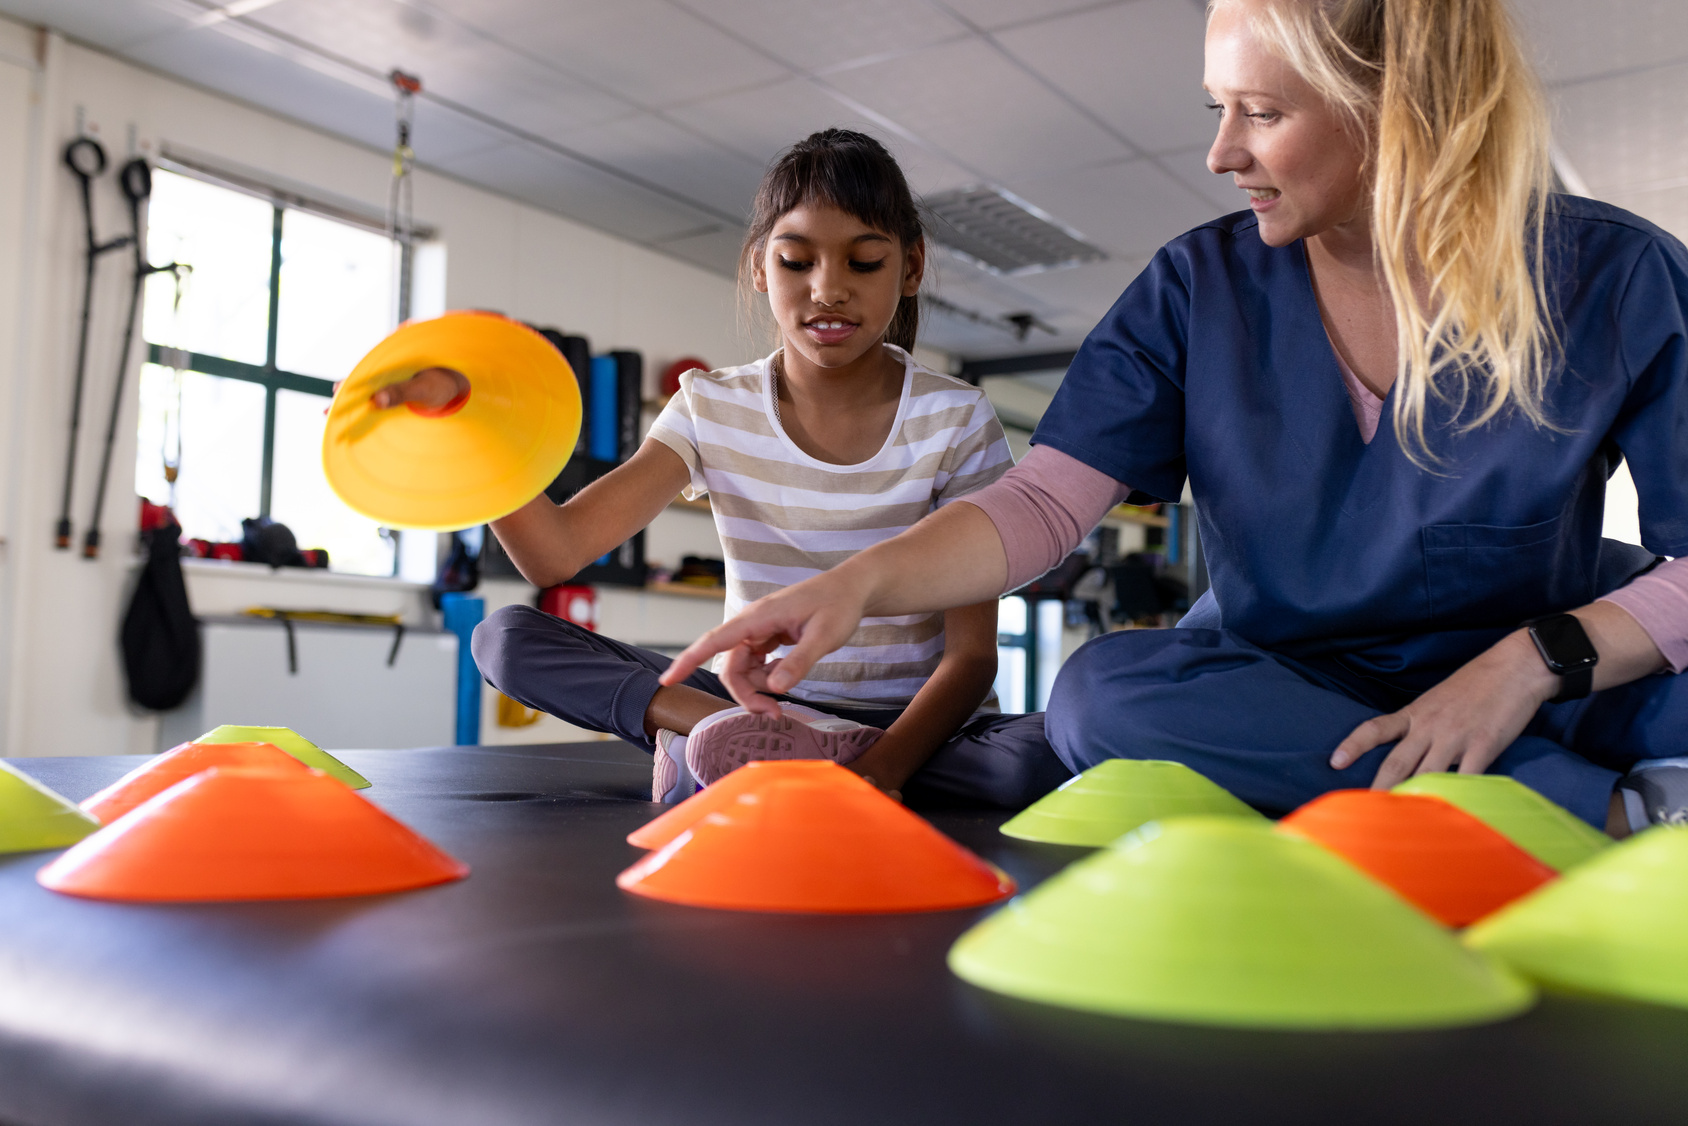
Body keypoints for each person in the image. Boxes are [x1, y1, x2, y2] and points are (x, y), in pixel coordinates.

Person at [660, 0, 1688, 835]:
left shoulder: (1611, 275)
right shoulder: (1198, 287)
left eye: (1260, 112)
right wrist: (854, 584)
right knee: (1101, 695)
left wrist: (1522, 668)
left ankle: (1466, 778)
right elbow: (1041, 504)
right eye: (1216, 109)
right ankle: (1591, 808)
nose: (1220, 153)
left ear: (1395, 104)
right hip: (1284, 681)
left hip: (1541, 663)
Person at [371, 130, 1068, 809]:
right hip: (757, 706)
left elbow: (972, 658)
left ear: (910, 268)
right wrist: (471, 426)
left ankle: (746, 752)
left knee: (1045, 752)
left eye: (863, 262)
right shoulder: (709, 405)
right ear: (760, 267)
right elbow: (553, 556)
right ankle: (723, 732)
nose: (828, 289)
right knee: (506, 638)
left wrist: (880, 771)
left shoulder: (957, 417)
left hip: (916, 727)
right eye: (798, 262)